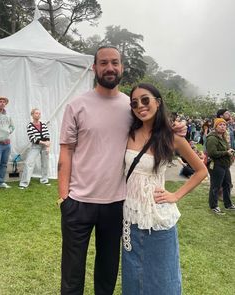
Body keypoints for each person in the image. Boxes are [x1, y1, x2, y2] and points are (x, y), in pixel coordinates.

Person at [58, 46, 187, 295]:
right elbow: (66, 150)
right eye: (103, 63)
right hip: (78, 202)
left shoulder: (131, 106)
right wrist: (64, 197)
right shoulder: (76, 106)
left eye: (115, 63)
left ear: (122, 68)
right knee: (72, 275)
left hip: (117, 204)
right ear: (94, 68)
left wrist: (177, 129)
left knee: (107, 274)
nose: (110, 68)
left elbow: (155, 127)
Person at [122, 83, 207, 295]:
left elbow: (200, 171)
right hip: (130, 217)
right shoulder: (127, 133)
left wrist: (175, 195)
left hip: (158, 219)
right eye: (134, 103)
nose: (140, 106)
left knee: (162, 279)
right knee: (133, 278)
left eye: (145, 100)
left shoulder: (172, 138)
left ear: (158, 102)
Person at [206, 118, 235, 215]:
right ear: (216, 126)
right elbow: (212, 153)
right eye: (220, 125)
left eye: (224, 125)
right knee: (216, 186)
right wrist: (226, 152)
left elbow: (224, 150)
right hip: (216, 165)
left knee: (227, 184)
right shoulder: (212, 138)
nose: (223, 126)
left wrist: (229, 152)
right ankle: (214, 206)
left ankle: (228, 204)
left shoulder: (222, 137)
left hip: (225, 165)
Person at [19, 108, 50, 189]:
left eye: (39, 113)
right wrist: (44, 143)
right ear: (32, 115)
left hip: (45, 146)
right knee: (29, 163)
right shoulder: (29, 125)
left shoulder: (43, 124)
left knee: (45, 163)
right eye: (36, 113)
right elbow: (32, 138)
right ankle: (24, 183)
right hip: (35, 146)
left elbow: (47, 136)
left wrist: (48, 146)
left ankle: (44, 180)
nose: (38, 115)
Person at [0, 96, 15, 188]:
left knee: (4, 164)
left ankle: (1, 182)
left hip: (6, 144)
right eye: (0, 101)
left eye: (3, 102)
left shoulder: (8, 116)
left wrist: (9, 131)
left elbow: (12, 126)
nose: (2, 103)